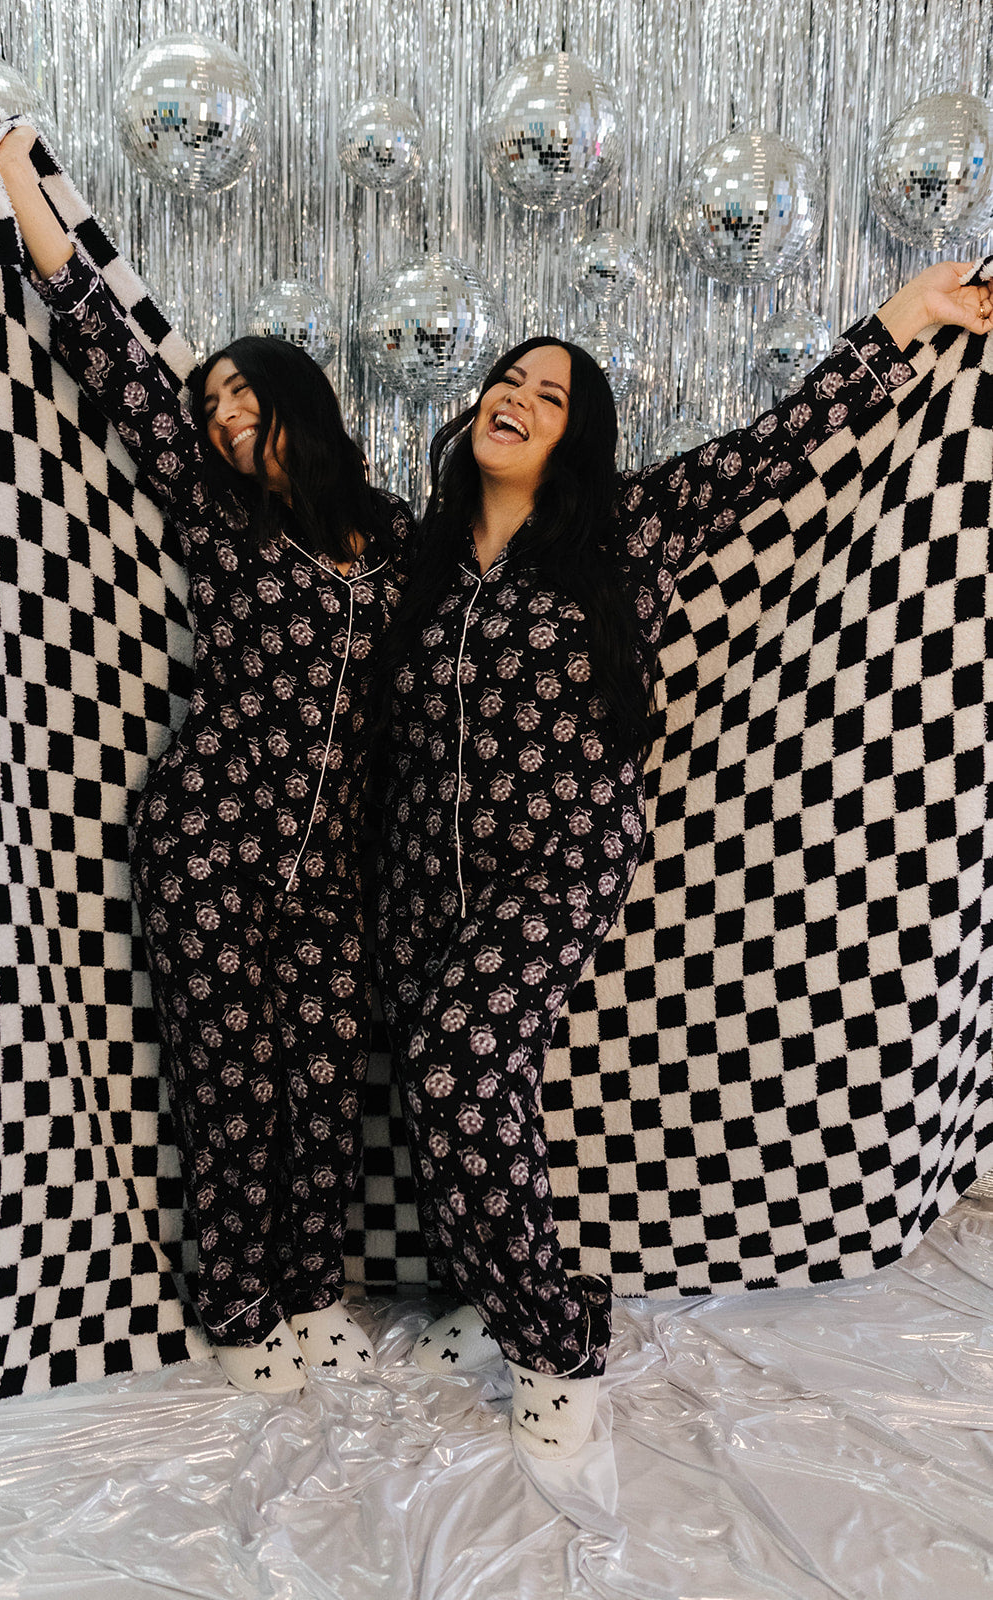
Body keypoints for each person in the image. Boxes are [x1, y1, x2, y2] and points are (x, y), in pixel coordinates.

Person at [373, 269, 993, 1457]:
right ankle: (485, 1290)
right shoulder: (421, 558)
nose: (515, 396)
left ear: (578, 436)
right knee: (450, 1090)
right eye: (506, 380)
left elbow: (786, 439)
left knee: (460, 1067)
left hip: (554, 865)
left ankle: (557, 1343)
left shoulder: (631, 527)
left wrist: (907, 320)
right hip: (416, 879)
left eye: (547, 394)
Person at [0, 124, 412, 1394]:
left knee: (324, 1087)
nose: (225, 418)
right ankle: (240, 1312)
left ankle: (309, 1289)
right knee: (229, 1088)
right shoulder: (216, 513)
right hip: (209, 843)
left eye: (245, 396)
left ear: (299, 399)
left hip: (329, 866)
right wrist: (16, 166)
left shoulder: (397, 534)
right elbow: (107, 352)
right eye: (215, 404)